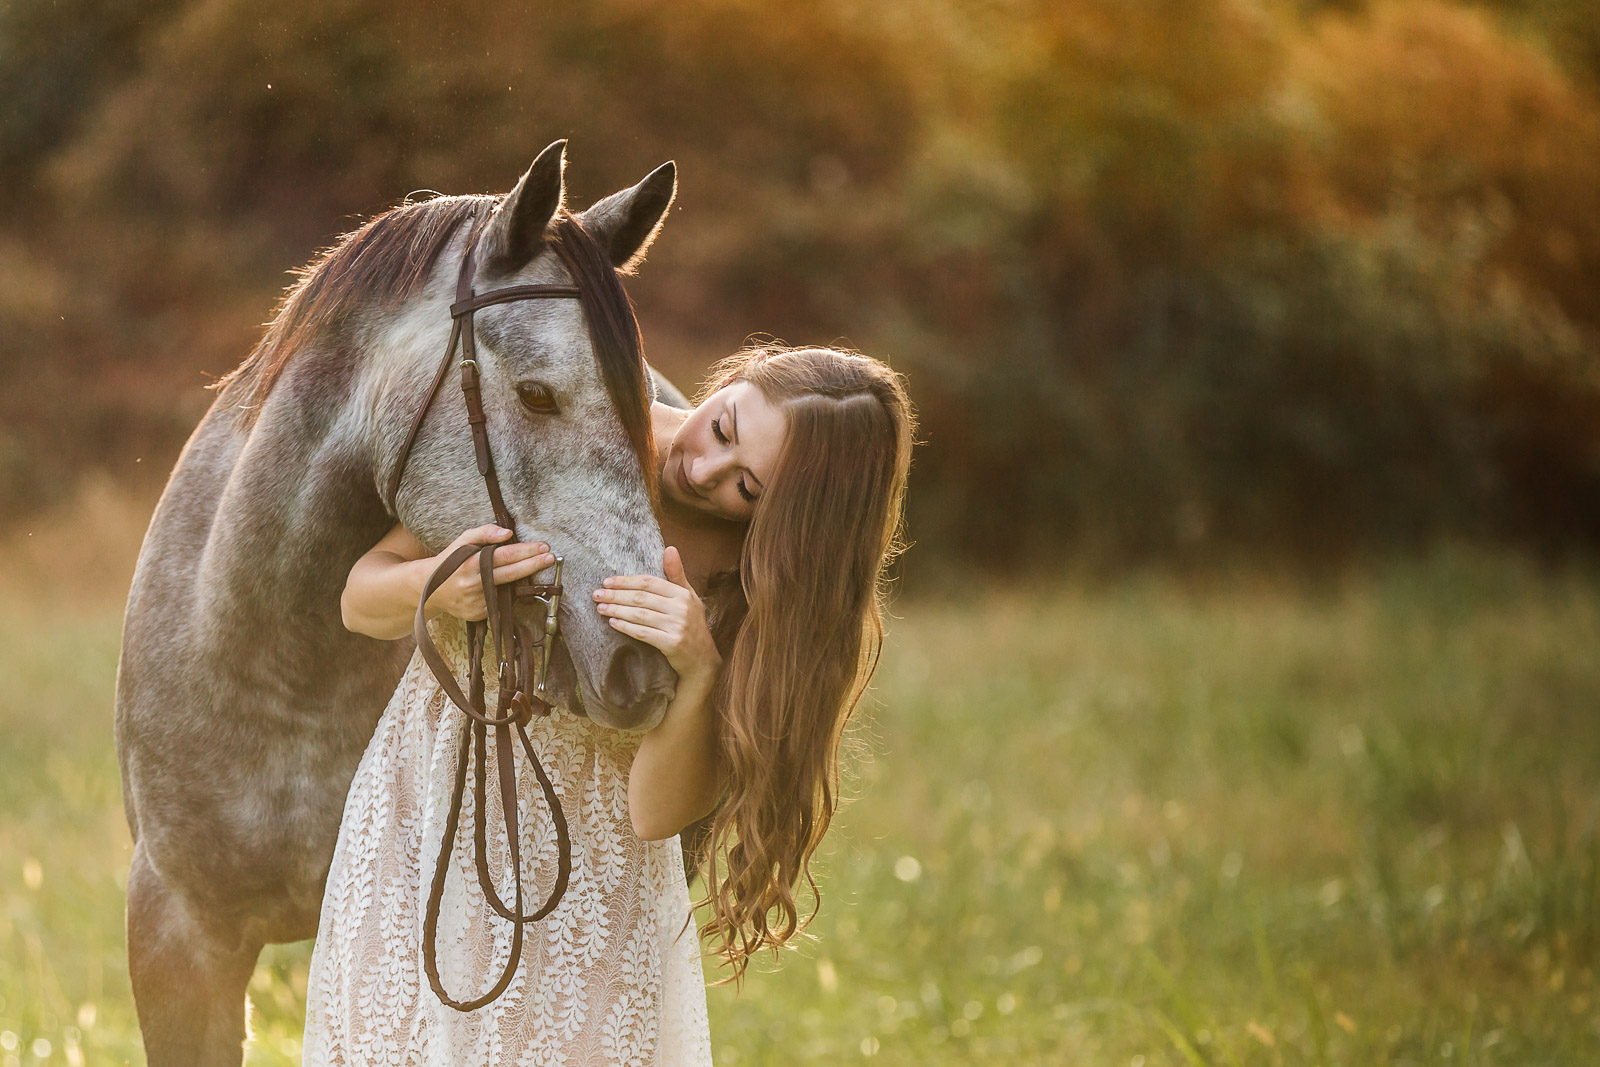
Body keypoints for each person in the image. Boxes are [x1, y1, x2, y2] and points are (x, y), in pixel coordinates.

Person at [302, 344, 916, 1064]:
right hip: (427, 812)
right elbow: (359, 598)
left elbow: (654, 815)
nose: (703, 468)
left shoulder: (765, 589)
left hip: (588, 895)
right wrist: (437, 586)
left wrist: (697, 671)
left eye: (746, 488)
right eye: (721, 429)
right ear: (728, 382)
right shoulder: (568, 422)